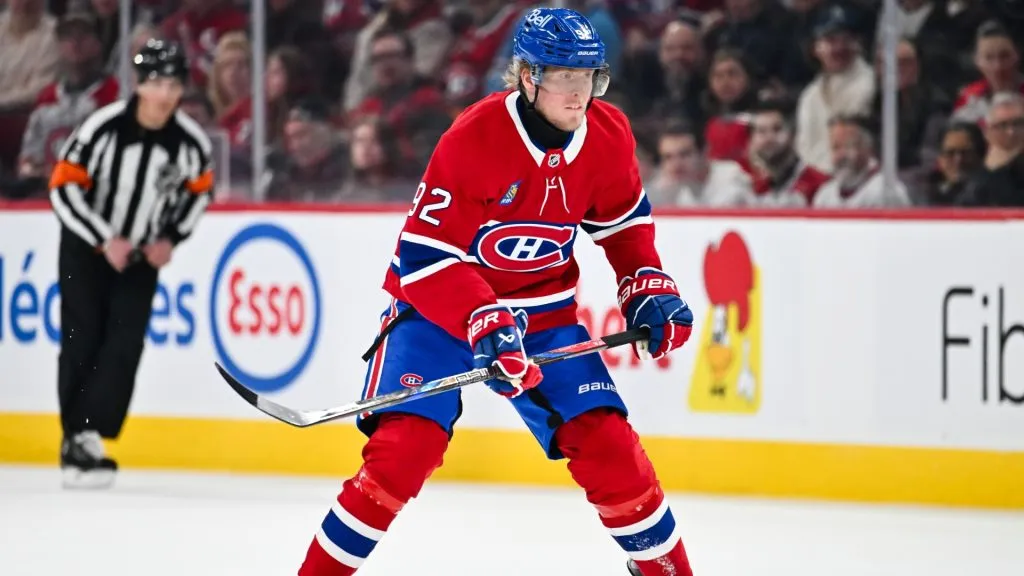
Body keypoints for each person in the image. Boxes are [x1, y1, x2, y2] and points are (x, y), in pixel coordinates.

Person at [298, 8, 696, 576]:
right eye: (564, 77)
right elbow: (423, 257)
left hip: (543, 316)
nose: (579, 93)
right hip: (440, 315)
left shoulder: (608, 134)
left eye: (588, 78)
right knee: (402, 453)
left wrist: (645, 284)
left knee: (611, 449)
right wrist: (483, 317)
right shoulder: (474, 137)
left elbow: (624, 225)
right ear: (528, 76)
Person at [48, 39, 214, 489]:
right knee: (82, 337)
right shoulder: (103, 127)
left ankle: (90, 432)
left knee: (125, 344)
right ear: (139, 85)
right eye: (157, 82)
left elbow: (201, 193)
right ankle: (76, 437)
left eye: (174, 84)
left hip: (140, 257)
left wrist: (171, 238)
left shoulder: (190, 143)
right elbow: (62, 186)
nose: (165, 94)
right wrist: (104, 238)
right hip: (85, 249)